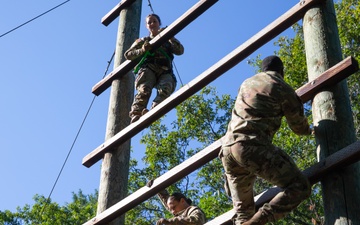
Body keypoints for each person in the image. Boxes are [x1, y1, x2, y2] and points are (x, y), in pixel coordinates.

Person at [219, 55, 313, 225]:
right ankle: (257, 222)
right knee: (300, 186)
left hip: (228, 151)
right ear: (281, 71)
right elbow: (298, 126)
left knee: (243, 214)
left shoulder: (247, 83)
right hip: (250, 147)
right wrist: (311, 131)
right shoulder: (280, 86)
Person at [124, 14, 184, 123]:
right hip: (148, 68)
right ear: (147, 26)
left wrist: (170, 36)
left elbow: (180, 51)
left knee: (166, 87)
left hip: (164, 70)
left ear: (159, 23)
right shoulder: (143, 41)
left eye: (154, 21)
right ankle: (136, 113)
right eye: (149, 22)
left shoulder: (166, 38)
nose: (152, 24)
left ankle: (155, 108)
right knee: (144, 89)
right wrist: (142, 50)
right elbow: (128, 55)